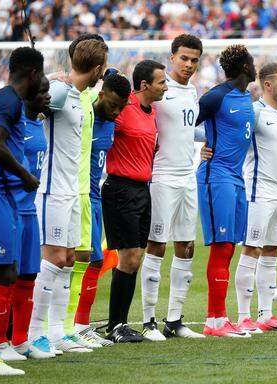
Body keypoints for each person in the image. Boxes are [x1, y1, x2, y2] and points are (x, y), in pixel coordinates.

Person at [30, 39, 108, 353]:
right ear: (99, 68)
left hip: (73, 191)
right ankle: (35, 334)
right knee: (52, 261)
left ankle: (58, 331)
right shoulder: (60, 91)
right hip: (52, 190)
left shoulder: (78, 95)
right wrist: (46, 81)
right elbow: (29, 104)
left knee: (68, 260)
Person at [0, 46, 44, 376]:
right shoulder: (8, 101)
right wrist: (25, 174)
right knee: (1, 271)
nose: (43, 82)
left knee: (7, 271)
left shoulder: (5, 100)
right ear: (32, 74)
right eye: (42, 75)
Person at [140, 34, 205, 341]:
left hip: (187, 177)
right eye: (184, 59)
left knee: (186, 246)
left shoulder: (193, 91)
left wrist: (203, 145)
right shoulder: (157, 90)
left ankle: (174, 320)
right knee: (157, 245)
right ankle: (148, 320)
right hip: (162, 177)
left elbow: (185, 130)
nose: (189, 65)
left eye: (194, 60)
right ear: (172, 58)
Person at [102, 60, 167, 343]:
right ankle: (115, 325)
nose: (165, 86)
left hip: (142, 190)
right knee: (127, 257)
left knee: (135, 258)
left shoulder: (151, 112)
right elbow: (98, 120)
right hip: (120, 189)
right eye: (161, 82)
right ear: (144, 86)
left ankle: (120, 324)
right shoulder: (122, 107)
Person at [230, 63, 277, 332]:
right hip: (256, 190)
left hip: (275, 192)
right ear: (267, 85)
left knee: (271, 250)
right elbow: (233, 140)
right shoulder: (255, 112)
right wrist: (208, 149)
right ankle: (244, 315)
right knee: (252, 249)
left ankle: (265, 314)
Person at [196, 45, 256, 338]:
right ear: (246, 67)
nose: (255, 65)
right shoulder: (216, 97)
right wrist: (199, 147)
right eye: (252, 61)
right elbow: (183, 125)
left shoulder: (246, 97)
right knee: (221, 248)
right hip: (215, 176)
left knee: (230, 247)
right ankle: (214, 321)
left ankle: (221, 318)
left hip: (236, 178)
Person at [71, 71, 131, 343]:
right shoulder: (83, 111)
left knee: (95, 261)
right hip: (74, 194)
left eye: (122, 107)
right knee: (72, 261)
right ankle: (67, 326)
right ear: (101, 94)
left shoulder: (111, 120)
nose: (117, 112)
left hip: (95, 197)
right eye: (113, 105)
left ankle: (80, 326)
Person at [4, 77, 51, 361]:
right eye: (43, 92)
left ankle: (21, 340)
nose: (48, 96)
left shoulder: (40, 120)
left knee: (28, 276)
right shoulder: (12, 123)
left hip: (30, 210)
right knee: (4, 278)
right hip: (10, 208)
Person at [66, 33, 108, 337]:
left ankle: (69, 328)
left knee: (79, 260)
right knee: (58, 263)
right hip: (60, 192)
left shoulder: (88, 97)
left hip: (84, 192)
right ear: (96, 68)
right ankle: (53, 329)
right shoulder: (59, 94)